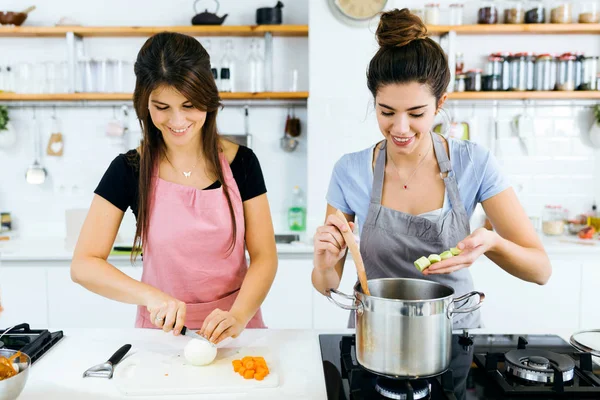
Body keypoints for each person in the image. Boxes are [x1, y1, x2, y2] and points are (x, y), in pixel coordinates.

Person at [311, 9, 551, 329]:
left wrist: (491, 243)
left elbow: (540, 271)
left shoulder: (474, 164)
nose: (400, 127)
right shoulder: (349, 171)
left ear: (440, 104)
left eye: (416, 113)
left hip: (453, 337)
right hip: (375, 337)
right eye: (387, 112)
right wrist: (325, 263)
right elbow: (326, 284)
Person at [71, 32, 278, 344]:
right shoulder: (129, 169)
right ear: (145, 103)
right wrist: (150, 297)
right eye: (162, 106)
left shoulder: (242, 163)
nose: (177, 120)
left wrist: (238, 315)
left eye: (189, 104)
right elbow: (83, 265)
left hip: (236, 330)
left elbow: (264, 256)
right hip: (160, 336)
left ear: (208, 97)